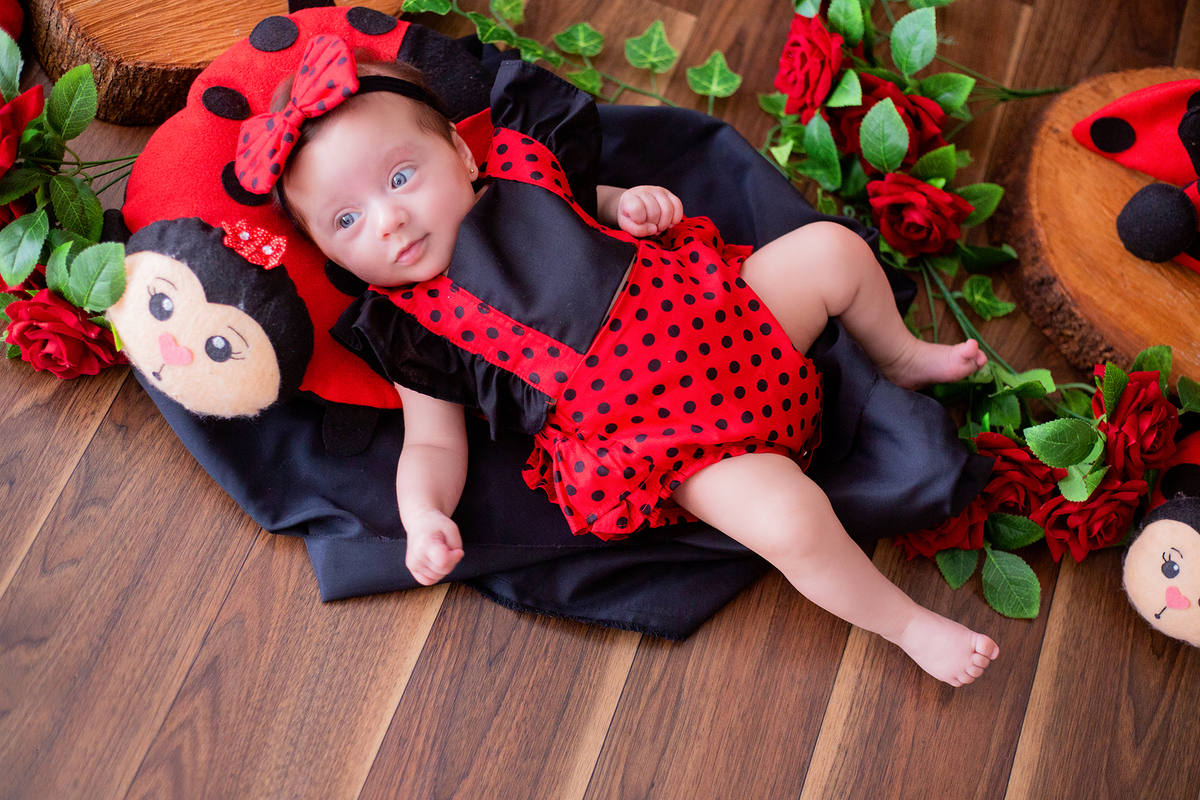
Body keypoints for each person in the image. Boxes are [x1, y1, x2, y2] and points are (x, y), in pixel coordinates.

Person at [235, 34, 999, 686]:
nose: (389, 217)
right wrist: (422, 515)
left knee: (832, 249)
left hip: (729, 315)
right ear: (330, 254)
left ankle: (898, 356)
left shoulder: (530, 173)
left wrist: (632, 205)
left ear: (463, 153)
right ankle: (908, 627)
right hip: (671, 441)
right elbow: (433, 441)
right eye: (346, 220)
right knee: (792, 519)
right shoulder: (416, 331)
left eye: (401, 177)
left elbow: (600, 207)